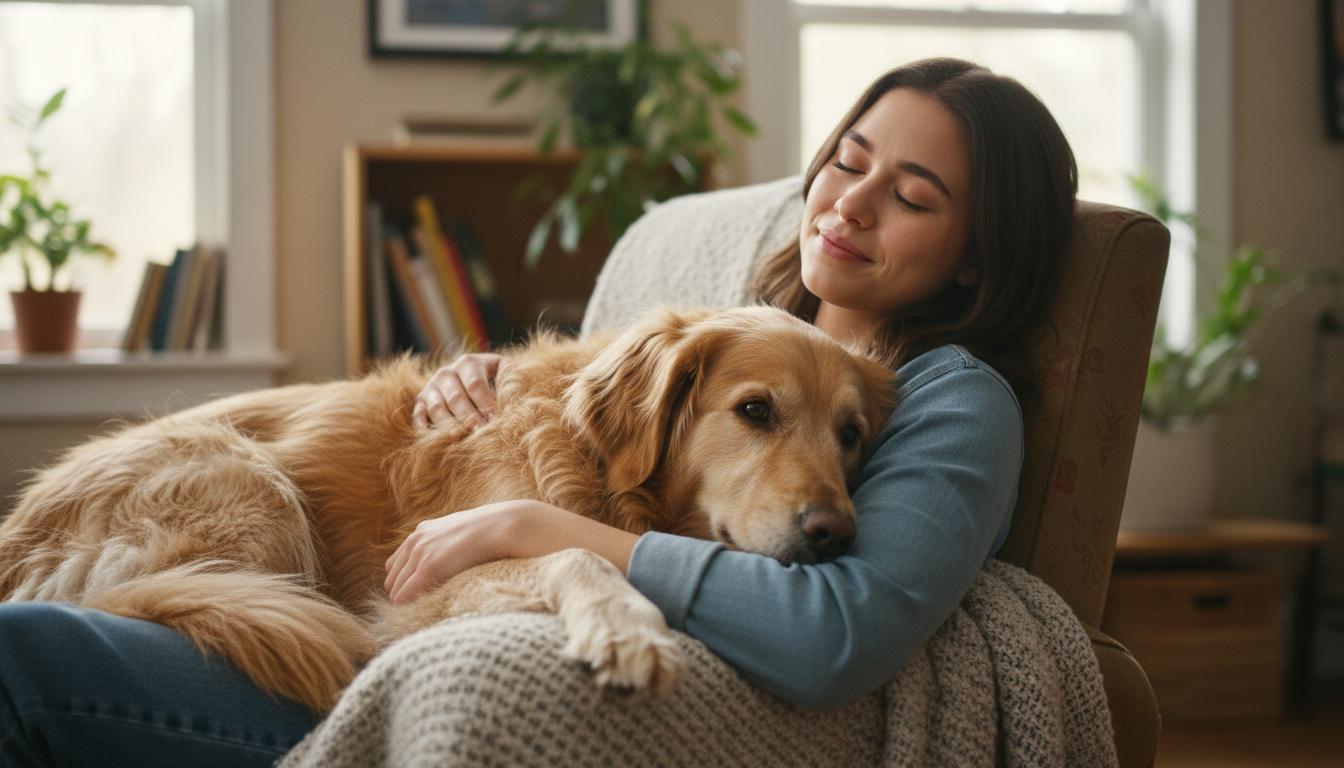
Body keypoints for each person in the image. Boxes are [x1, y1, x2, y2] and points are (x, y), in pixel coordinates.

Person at [0, 57, 1076, 766]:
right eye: (848, 161)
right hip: (185, 521)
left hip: (355, 654)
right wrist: (467, 388)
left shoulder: (941, 395)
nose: (850, 202)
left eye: (914, 195)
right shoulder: (690, 351)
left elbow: (839, 627)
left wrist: (546, 537)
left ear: (978, 251)